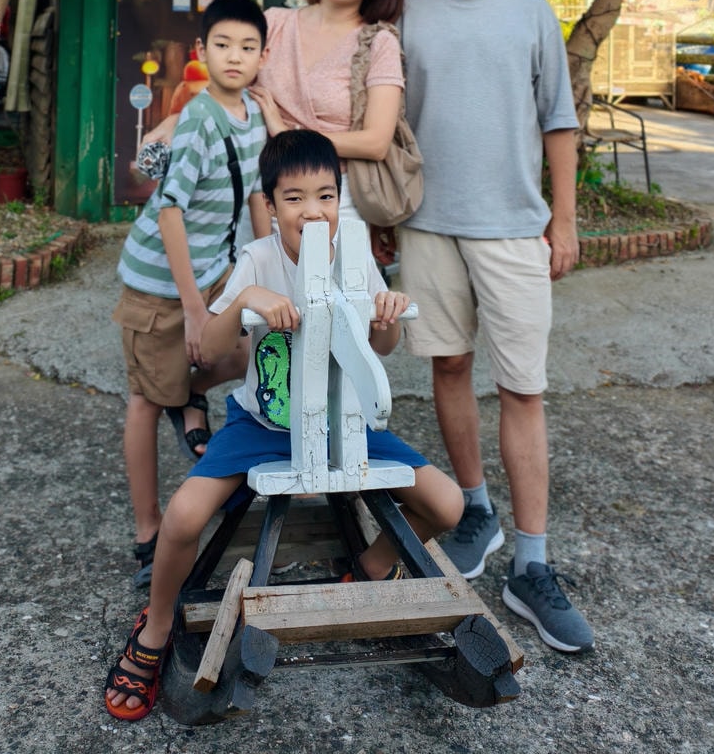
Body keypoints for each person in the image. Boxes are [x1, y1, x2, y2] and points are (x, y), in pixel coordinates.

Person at [104, 129, 463, 721]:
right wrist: (248, 298)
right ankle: (157, 624)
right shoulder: (259, 257)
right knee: (185, 516)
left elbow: (386, 347)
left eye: (325, 195)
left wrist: (389, 313)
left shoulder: (357, 256)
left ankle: (368, 570)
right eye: (293, 198)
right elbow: (212, 352)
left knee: (447, 505)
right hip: (263, 424)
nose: (312, 209)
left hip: (346, 419)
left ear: (340, 200)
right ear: (270, 207)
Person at [398, 0, 594, 653]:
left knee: (523, 387)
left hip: (514, 227)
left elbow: (559, 120)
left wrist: (564, 221)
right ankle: (475, 508)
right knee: (448, 367)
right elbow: (390, 122)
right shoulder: (407, 13)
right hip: (427, 225)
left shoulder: (531, 11)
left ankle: (533, 563)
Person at [113, 0, 272, 591]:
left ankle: (190, 396)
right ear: (203, 52)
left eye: (248, 47)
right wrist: (192, 308)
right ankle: (148, 528)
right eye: (223, 45)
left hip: (213, 272)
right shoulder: (199, 117)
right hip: (160, 284)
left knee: (241, 350)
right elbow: (170, 209)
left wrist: (271, 267)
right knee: (144, 401)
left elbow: (257, 194)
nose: (235, 57)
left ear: (263, 54)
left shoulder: (252, 113)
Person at [250, 0, 406, 247]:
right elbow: (227, 91)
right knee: (259, 291)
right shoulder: (273, 23)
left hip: (333, 201)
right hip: (262, 194)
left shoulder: (378, 43)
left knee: (328, 296)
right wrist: (175, 120)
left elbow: (376, 142)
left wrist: (289, 136)